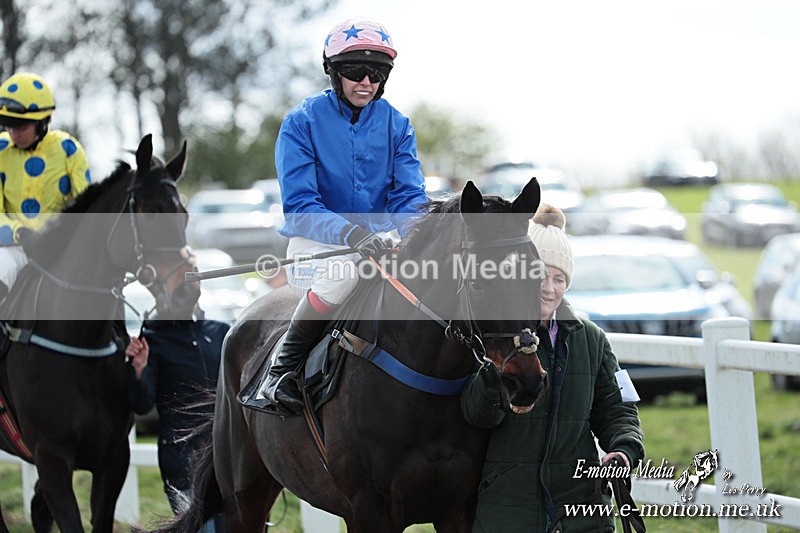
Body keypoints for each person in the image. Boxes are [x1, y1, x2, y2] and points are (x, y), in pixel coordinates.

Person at [257, 17, 428, 414]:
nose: (366, 82)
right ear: (331, 71)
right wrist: (352, 236)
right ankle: (279, 372)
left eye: (377, 73)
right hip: (316, 242)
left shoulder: (398, 125)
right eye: (354, 72)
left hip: (381, 242)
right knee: (342, 276)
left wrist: (415, 234)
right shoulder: (300, 123)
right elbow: (300, 207)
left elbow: (408, 197)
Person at [460, 204, 645, 532]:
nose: (549, 287)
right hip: (508, 512)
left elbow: (618, 410)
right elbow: (476, 415)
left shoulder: (592, 340)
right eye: (541, 275)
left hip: (582, 510)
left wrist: (623, 451)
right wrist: (495, 371)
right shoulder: (497, 338)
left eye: (559, 278)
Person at [126, 306, 229, 531]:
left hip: (228, 461)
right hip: (184, 466)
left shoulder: (221, 331)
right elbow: (141, 404)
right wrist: (139, 368)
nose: (188, 281)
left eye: (191, 272)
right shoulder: (154, 339)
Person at [0, 72, 91, 301]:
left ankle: (119, 335)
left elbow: (88, 206)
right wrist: (20, 233)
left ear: (41, 122)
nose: (13, 133)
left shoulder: (68, 149)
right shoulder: (1, 150)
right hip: (15, 248)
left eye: (20, 126)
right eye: (9, 125)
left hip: (60, 249)